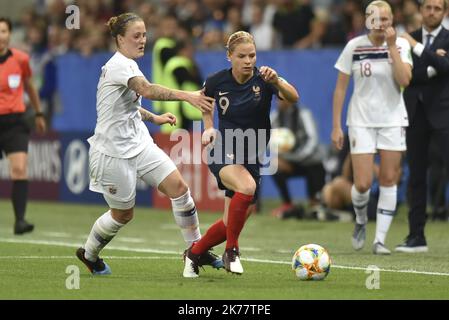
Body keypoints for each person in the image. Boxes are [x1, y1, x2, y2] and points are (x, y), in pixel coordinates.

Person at [75, 13, 222, 275]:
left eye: (144, 35)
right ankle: (89, 254)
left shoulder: (129, 64)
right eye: (136, 36)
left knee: (179, 188)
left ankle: (196, 251)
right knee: (123, 215)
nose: (143, 40)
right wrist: (187, 96)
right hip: (112, 151)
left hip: (139, 142)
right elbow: (147, 90)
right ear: (120, 39)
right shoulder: (120, 65)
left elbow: (128, 106)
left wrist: (154, 117)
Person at [183, 31, 299, 277]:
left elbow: (293, 96)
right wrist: (209, 128)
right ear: (229, 57)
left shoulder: (265, 78)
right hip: (222, 149)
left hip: (252, 155)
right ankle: (232, 251)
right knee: (246, 187)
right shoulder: (217, 81)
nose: (248, 61)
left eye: (252, 55)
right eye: (242, 56)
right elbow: (205, 101)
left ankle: (194, 254)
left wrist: (278, 81)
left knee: (230, 223)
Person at [331, 1, 413, 255]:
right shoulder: (354, 47)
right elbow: (341, 88)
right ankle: (360, 220)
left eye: (386, 19)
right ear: (367, 20)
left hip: (392, 119)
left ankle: (380, 240)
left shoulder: (401, 45)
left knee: (389, 178)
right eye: (375, 19)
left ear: (392, 20)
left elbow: (405, 81)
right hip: (361, 120)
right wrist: (336, 125)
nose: (381, 24)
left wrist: (391, 48)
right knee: (364, 183)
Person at [396, 0, 449, 252]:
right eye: (428, 7)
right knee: (416, 176)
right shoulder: (406, 38)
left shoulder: (413, 39)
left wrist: (417, 49)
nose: (431, 12)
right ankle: (416, 236)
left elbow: (446, 66)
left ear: (445, 12)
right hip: (415, 114)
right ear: (421, 10)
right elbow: (405, 76)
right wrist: (431, 66)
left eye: (437, 8)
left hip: (444, 115)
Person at [0, 17, 47, 235]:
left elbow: (29, 86)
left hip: (15, 121)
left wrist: (38, 113)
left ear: (10, 34)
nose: (1, 36)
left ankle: (20, 221)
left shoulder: (21, 59)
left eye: (4, 31)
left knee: (19, 169)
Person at [270, 98, 326, 218]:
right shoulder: (275, 116)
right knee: (273, 165)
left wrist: (294, 158)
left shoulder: (304, 114)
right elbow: (267, 139)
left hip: (310, 161)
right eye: (277, 99)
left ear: (290, 99)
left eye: (281, 99)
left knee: (316, 166)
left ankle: (315, 203)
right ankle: (288, 204)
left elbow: (313, 140)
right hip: (291, 162)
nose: (278, 102)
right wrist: (279, 156)